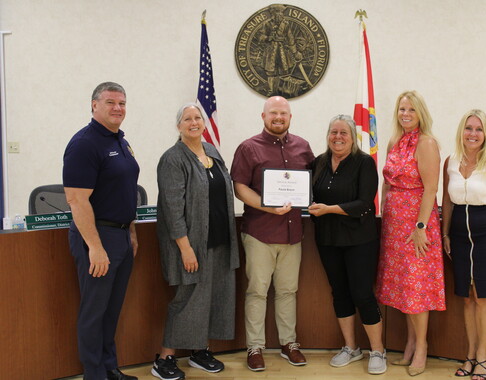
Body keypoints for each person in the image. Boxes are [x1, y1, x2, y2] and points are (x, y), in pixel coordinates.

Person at [152, 103, 240, 380]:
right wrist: (186, 248)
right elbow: (172, 208)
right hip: (189, 245)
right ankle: (164, 358)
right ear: (178, 126)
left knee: (212, 296)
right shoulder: (173, 159)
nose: (193, 122)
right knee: (187, 299)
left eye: (197, 118)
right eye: (187, 119)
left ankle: (199, 351)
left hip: (218, 239)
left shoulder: (212, 152)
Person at [230, 96, 314, 372]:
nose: (279, 117)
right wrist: (268, 206)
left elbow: (311, 183)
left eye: (284, 113)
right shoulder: (249, 147)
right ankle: (255, 347)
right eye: (273, 113)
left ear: (290, 117)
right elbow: (239, 186)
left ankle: (289, 343)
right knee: (257, 291)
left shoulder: (303, 147)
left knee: (288, 291)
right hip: (259, 234)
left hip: (293, 235)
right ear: (263, 116)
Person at [63, 82, 139, 380]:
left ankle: (109, 369)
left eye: (122, 102)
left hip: (120, 235)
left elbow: (125, 190)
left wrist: (131, 232)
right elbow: (76, 199)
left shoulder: (120, 140)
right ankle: (94, 374)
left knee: (111, 310)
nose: (117, 108)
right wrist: (95, 247)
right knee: (94, 312)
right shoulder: (85, 143)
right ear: (94, 105)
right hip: (97, 238)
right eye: (110, 102)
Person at [308, 115, 387, 375]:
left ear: (353, 137)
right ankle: (351, 348)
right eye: (333, 132)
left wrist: (329, 209)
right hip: (328, 239)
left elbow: (365, 204)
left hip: (359, 241)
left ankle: (377, 350)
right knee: (339, 292)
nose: (338, 137)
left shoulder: (364, 163)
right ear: (327, 135)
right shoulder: (318, 163)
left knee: (362, 294)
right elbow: (303, 193)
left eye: (344, 133)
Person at [376, 90, 446, 377]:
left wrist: (420, 227)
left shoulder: (427, 143)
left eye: (411, 110)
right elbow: (387, 182)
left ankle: (422, 347)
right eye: (402, 109)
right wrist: (382, 215)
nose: (405, 114)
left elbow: (430, 188)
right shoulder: (394, 140)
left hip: (417, 224)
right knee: (404, 287)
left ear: (420, 114)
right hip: (393, 224)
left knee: (417, 287)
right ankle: (408, 344)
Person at [441, 109, 486, 380]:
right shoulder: (450, 161)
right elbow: (447, 201)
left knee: (482, 297)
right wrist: (445, 233)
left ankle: (483, 357)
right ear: (461, 131)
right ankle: (469, 355)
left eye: (478, 129)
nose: (473, 134)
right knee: (467, 298)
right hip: (459, 234)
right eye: (469, 128)